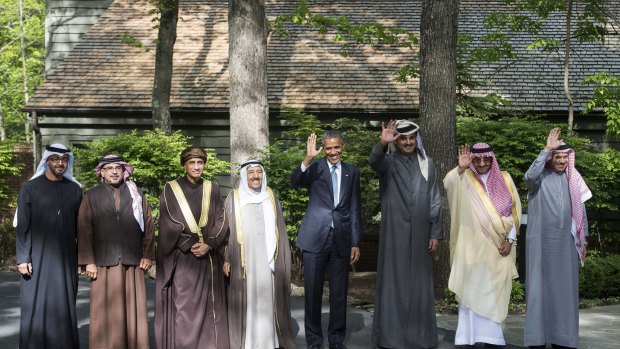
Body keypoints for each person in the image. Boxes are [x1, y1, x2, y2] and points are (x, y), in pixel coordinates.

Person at [369, 119, 442, 349]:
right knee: (394, 283)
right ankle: (391, 338)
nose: (408, 142)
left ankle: (419, 338)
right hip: (394, 234)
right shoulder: (388, 163)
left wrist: (435, 233)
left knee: (419, 284)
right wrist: (382, 143)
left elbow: (435, 200)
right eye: (403, 138)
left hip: (422, 234)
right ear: (397, 141)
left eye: (412, 138)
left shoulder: (427, 164)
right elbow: (374, 162)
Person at [444, 143, 521, 348]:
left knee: (494, 293)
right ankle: (468, 337)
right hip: (472, 248)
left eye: (486, 159)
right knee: (472, 291)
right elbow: (449, 184)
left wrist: (510, 241)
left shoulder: (505, 178)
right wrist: (460, 168)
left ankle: (493, 338)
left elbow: (513, 214)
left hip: (498, 248)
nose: (482, 163)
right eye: (477, 159)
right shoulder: (465, 178)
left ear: (492, 159)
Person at [290, 130, 362, 349]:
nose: (333, 152)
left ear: (343, 146)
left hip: (341, 238)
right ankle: (314, 340)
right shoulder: (315, 167)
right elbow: (296, 182)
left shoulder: (352, 172)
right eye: (328, 148)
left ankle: (336, 340)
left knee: (339, 294)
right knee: (313, 292)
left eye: (336, 147)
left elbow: (355, 209)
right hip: (315, 237)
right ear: (324, 148)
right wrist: (308, 158)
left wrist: (355, 241)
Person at [155, 146, 230, 349]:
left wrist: (210, 244)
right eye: (192, 163)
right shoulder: (171, 188)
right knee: (186, 307)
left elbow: (222, 219)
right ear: (184, 165)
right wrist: (190, 244)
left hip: (209, 257)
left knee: (210, 307)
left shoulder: (212, 188)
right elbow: (168, 222)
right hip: (184, 258)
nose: (197, 167)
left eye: (200, 163)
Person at [77, 154, 155, 349]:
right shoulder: (91, 196)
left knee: (133, 309)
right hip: (103, 262)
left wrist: (147, 254)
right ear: (102, 172)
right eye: (109, 168)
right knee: (105, 311)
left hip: (133, 261)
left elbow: (148, 224)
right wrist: (88, 261)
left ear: (124, 171)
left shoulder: (137, 194)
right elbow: (84, 228)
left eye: (117, 168)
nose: (114, 172)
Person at [523, 128, 592, 349]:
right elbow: (528, 177)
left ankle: (564, 338)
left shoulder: (574, 178)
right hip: (541, 245)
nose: (561, 161)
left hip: (566, 245)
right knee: (539, 291)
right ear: (551, 158)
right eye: (557, 157)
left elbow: (581, 210)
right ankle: (538, 339)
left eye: (564, 157)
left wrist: (585, 239)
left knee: (565, 293)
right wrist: (546, 149)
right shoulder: (539, 177)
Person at [223, 160, 297, 349]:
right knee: (246, 298)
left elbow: (280, 230)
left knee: (267, 297)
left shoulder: (270, 196)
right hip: (244, 260)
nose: (256, 176)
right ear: (244, 176)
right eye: (251, 173)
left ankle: (267, 341)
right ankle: (248, 343)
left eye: (259, 172)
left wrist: (282, 259)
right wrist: (226, 257)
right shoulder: (234, 198)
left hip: (267, 260)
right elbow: (226, 232)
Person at [15, 144, 82, 349]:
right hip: (36, 257)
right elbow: (22, 225)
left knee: (64, 302)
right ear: (46, 161)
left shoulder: (75, 190)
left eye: (63, 159)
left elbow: (81, 227)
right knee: (35, 301)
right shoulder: (30, 188)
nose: (60, 163)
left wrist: (82, 259)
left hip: (66, 257)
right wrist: (23, 257)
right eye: (54, 158)